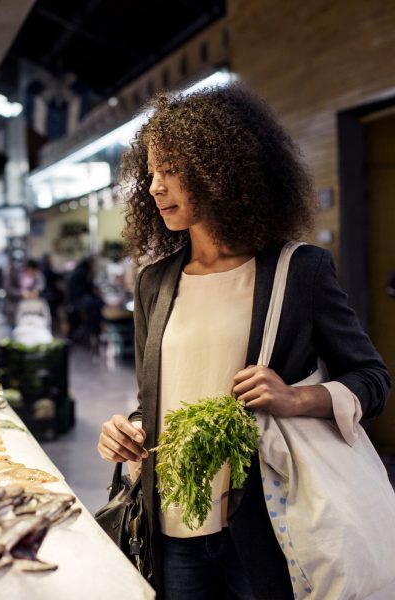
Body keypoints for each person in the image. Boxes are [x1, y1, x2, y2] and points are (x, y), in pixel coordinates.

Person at [97, 84, 391, 599]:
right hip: (172, 523)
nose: (154, 188)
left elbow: (372, 380)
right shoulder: (155, 282)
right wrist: (128, 432)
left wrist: (295, 397)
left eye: (170, 170)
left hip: (264, 521)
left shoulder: (298, 271)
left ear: (219, 169)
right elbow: (157, 400)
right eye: (150, 173)